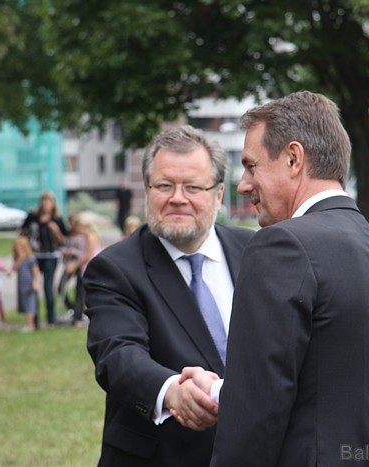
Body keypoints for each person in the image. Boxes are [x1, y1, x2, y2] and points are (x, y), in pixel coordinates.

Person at [176, 91, 369, 466]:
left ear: (292, 158)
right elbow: (326, 387)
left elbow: (254, 420)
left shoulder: (281, 246)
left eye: (252, 166)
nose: (243, 184)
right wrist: (224, 392)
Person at [83, 126, 255, 467]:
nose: (178, 197)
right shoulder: (114, 269)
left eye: (193, 186)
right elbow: (117, 355)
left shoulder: (254, 251)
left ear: (218, 195)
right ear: (147, 191)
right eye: (164, 185)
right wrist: (172, 390)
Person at [20, 190, 68, 327]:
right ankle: (33, 320)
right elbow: (22, 234)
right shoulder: (32, 217)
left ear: (53, 204)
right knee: (34, 286)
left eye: (49, 201)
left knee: (48, 287)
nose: (46, 204)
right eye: (44, 201)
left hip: (51, 256)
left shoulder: (57, 220)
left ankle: (50, 320)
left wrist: (56, 231)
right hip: (34, 257)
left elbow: (64, 240)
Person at [60, 211, 101, 327]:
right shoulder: (85, 235)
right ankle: (78, 316)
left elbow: (88, 256)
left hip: (88, 268)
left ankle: (79, 319)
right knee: (79, 292)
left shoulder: (90, 235)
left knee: (82, 293)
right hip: (83, 267)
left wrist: (74, 265)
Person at [13, 235, 41, 333]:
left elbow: (36, 271)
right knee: (26, 305)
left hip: (30, 285)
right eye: (17, 248)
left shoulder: (31, 259)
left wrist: (36, 282)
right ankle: (29, 324)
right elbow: (14, 268)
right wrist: (19, 259)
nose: (20, 250)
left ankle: (30, 325)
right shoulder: (18, 259)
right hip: (22, 286)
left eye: (22, 248)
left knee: (31, 305)